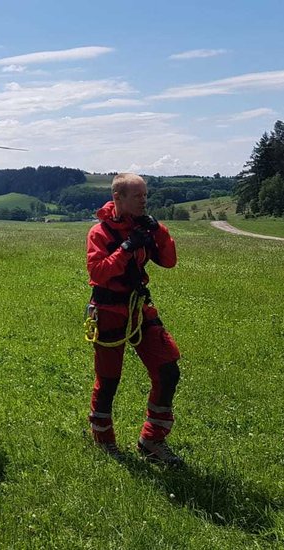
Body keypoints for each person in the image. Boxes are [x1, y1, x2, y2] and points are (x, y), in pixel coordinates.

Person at [84, 173, 184, 466]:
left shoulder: (144, 228)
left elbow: (168, 261)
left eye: (145, 195)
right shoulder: (99, 233)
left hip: (139, 310)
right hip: (109, 312)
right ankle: (104, 440)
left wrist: (159, 231)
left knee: (168, 370)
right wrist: (126, 248)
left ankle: (152, 440)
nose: (144, 200)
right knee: (109, 380)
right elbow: (98, 273)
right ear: (118, 198)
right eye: (138, 195)